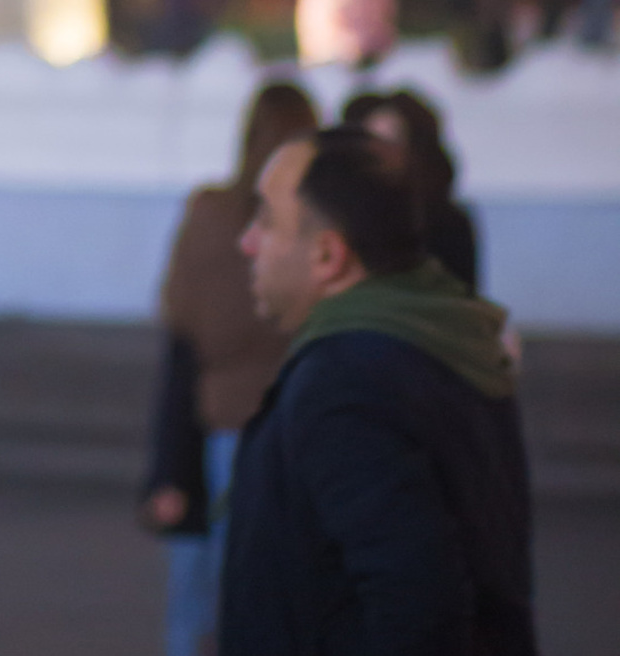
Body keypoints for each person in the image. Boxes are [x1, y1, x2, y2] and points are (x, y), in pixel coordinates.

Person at [222, 126, 535, 655]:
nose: (247, 241)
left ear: (328, 256)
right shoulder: (437, 336)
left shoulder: (347, 382)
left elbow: (416, 600)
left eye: (268, 219)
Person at [144, 80, 319, 656]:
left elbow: (183, 336)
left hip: (217, 424)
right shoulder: (311, 231)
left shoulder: (210, 216)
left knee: (202, 603)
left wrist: (167, 467)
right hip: (301, 423)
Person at [343, 86, 480, 291]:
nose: (379, 155)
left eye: (389, 143)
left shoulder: (447, 222)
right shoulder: (350, 216)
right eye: (371, 143)